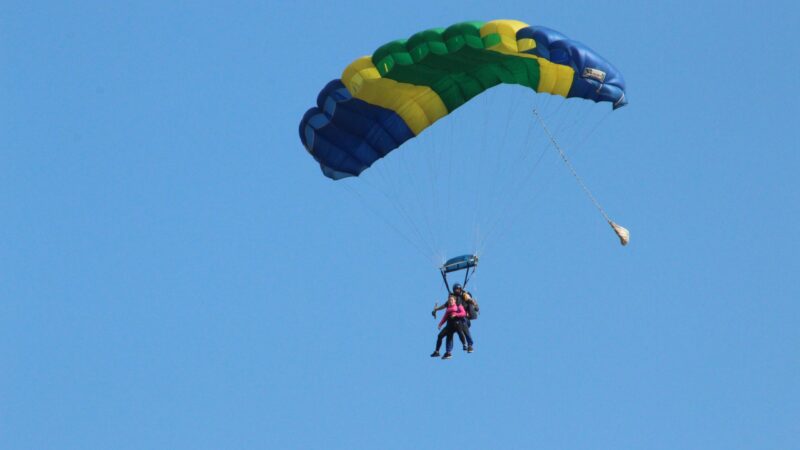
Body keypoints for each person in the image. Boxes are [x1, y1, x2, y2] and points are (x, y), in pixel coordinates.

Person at [432, 283, 477, 352]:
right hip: (454, 320)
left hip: (463, 318)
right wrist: (436, 309)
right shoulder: (453, 298)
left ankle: (469, 345)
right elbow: (445, 305)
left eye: (458, 289)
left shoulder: (465, 296)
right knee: (449, 331)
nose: (457, 291)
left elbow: (471, 303)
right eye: (455, 289)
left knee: (464, 327)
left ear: (460, 289)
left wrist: (474, 305)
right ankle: (448, 351)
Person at [430, 295, 467, 360]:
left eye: (451, 300)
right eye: (449, 300)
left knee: (460, 332)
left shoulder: (458, 306)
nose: (450, 301)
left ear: (455, 301)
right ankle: (437, 351)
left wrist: (456, 314)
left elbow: (463, 313)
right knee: (440, 336)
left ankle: (464, 344)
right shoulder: (448, 309)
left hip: (457, 323)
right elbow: (445, 317)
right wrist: (440, 324)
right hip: (449, 325)